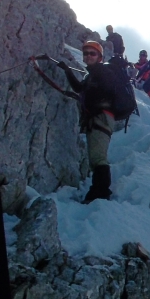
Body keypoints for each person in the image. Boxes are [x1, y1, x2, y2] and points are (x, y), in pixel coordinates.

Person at [58, 41, 116, 203]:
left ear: (100, 57)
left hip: (101, 117)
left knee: (98, 158)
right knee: (95, 157)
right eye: (86, 53)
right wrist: (68, 71)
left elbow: (104, 91)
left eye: (92, 53)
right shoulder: (91, 75)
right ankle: (99, 191)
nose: (88, 56)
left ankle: (100, 193)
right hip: (98, 117)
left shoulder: (102, 72)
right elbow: (79, 88)